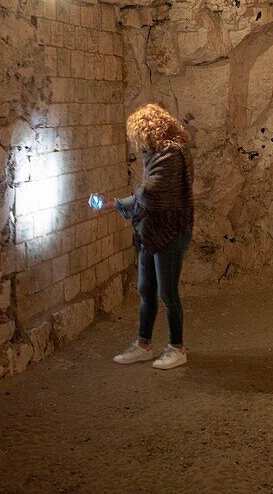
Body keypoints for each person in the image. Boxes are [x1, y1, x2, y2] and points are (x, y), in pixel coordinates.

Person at [93, 104, 194, 370]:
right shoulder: (155, 154)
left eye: (138, 136)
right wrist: (114, 204)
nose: (137, 144)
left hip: (170, 231)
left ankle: (177, 348)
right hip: (150, 231)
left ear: (148, 132)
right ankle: (144, 344)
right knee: (145, 290)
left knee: (167, 293)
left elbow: (152, 194)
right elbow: (145, 196)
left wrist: (125, 202)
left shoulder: (173, 155)